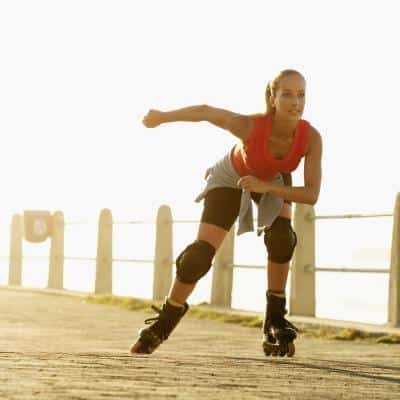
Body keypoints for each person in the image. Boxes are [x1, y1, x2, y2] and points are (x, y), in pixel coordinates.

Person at [130, 69, 322, 357]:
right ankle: (166, 319)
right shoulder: (249, 126)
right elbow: (206, 112)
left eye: (301, 94)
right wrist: (162, 117)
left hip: (272, 180)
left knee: (282, 238)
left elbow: (311, 194)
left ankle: (275, 318)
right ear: (272, 98)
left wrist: (265, 186)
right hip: (230, 178)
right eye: (287, 94)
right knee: (198, 257)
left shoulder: (310, 138)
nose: (296, 102)